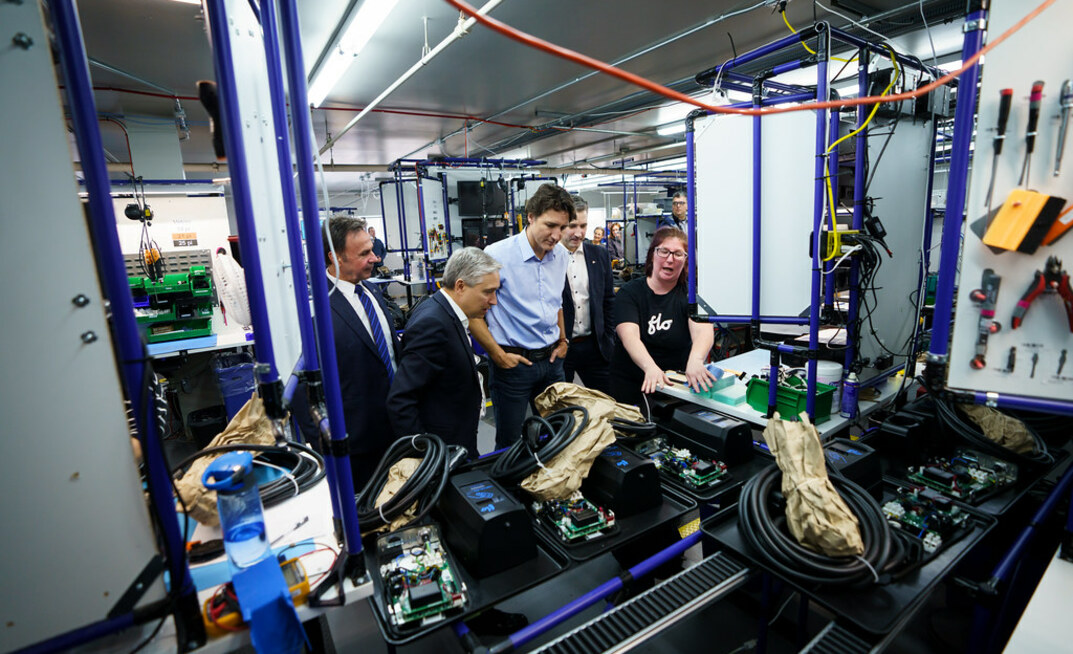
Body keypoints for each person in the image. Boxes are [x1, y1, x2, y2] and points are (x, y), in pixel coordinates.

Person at [294, 216, 399, 489]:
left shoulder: (372, 292)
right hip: (354, 445)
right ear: (335, 257)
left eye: (372, 249)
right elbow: (300, 388)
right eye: (364, 253)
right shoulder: (315, 308)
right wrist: (325, 443)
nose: (375, 258)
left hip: (396, 430)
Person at [470, 183, 574, 450]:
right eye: (550, 225)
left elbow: (556, 302)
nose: (556, 235)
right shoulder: (497, 255)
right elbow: (472, 314)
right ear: (530, 217)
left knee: (557, 437)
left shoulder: (561, 254)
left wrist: (563, 341)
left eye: (562, 228)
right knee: (510, 442)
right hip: (513, 366)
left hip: (552, 363)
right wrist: (498, 355)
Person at [387, 248, 501, 456]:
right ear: (460, 286)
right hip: (443, 450)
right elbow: (401, 400)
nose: (493, 300)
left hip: (457, 441)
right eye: (487, 291)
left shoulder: (445, 312)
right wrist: (427, 456)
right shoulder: (433, 324)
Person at [610, 226, 716, 407]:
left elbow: (703, 332)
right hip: (631, 384)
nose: (670, 259)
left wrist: (696, 360)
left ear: (685, 261)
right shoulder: (630, 293)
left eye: (678, 254)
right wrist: (649, 367)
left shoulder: (690, 295)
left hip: (674, 387)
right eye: (664, 252)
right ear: (652, 255)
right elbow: (630, 337)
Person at [561, 198, 614, 393]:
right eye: (572, 226)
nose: (579, 233)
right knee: (560, 407)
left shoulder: (599, 255)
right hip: (562, 349)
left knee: (609, 402)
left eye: (583, 225)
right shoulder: (549, 258)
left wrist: (609, 338)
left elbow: (609, 300)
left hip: (595, 346)